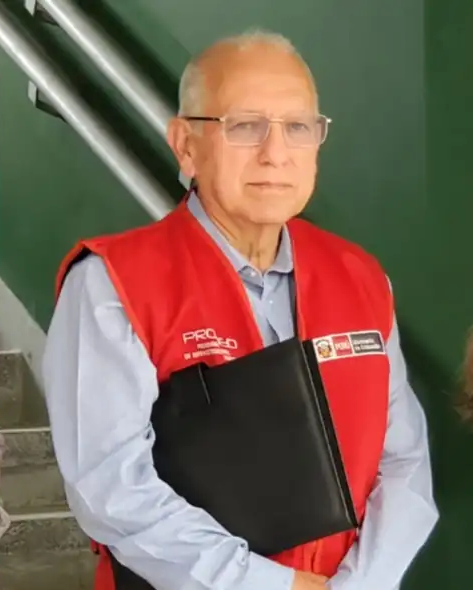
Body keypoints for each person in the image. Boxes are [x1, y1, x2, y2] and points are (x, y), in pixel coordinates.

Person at [42, 30, 437, 590]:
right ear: (185, 145)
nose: (276, 153)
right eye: (245, 126)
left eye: (298, 127)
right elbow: (110, 488)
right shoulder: (112, 284)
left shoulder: (363, 278)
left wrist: (362, 583)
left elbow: (404, 463)